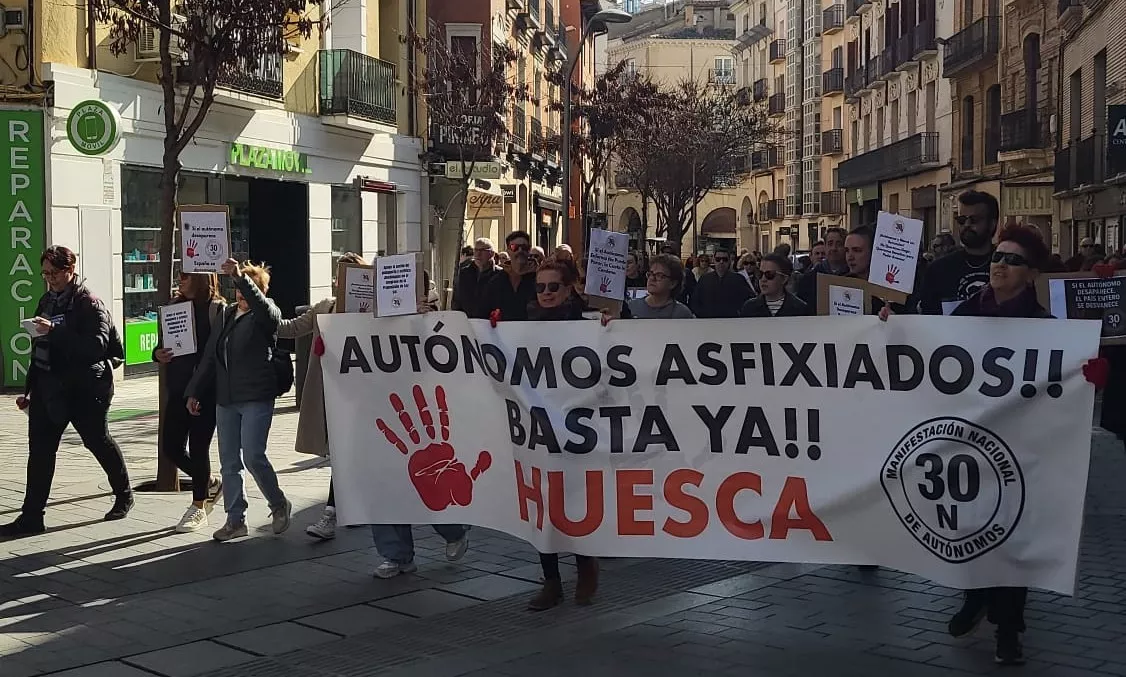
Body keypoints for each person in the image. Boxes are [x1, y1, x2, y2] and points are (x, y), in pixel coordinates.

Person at [944, 224, 1052, 666]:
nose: (1000, 265)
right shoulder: (965, 314)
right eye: (997, 257)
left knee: (1010, 537)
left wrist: (1090, 374)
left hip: (1018, 450)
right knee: (969, 526)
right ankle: (975, 596)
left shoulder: (1044, 327)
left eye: (1013, 260)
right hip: (968, 446)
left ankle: (1009, 629)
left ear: (1031, 274)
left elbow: (1066, 379)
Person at [1, 246, 133, 539]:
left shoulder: (89, 303)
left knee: (97, 441)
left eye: (55, 273)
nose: (50, 279)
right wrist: (30, 391)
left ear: (70, 270)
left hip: (84, 389)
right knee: (40, 452)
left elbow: (96, 347)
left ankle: (124, 494)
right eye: (45, 273)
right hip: (48, 388)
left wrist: (54, 331)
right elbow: (39, 348)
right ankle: (32, 517)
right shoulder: (46, 300)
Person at [187, 258, 290, 542]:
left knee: (254, 456)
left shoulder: (267, 314)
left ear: (261, 291)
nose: (241, 295)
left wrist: (241, 277)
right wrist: (195, 391)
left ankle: (278, 503)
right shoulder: (227, 314)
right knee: (229, 462)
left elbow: (263, 309)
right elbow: (211, 356)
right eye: (239, 290)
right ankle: (235, 520)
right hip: (226, 398)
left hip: (256, 395)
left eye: (248, 289)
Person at [520, 258, 600, 609]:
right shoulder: (522, 324)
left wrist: (609, 325)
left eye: (554, 287)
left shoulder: (586, 322)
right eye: (540, 287)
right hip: (539, 425)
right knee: (543, 502)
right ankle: (551, 580)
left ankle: (585, 565)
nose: (546, 293)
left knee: (576, 501)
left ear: (568, 289)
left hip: (579, 425)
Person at [276, 252, 366, 541]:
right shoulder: (325, 307)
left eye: (348, 275)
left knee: (343, 453)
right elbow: (290, 328)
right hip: (330, 392)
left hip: (362, 396)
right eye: (339, 274)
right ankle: (352, 507)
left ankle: (331, 513)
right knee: (343, 454)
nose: (340, 280)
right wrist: (258, 304)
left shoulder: (371, 309)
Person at [153, 272, 226, 533]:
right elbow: (163, 344)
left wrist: (201, 388)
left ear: (200, 278)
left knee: (198, 446)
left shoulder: (217, 310)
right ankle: (209, 482)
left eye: (185, 276)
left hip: (206, 390)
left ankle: (198, 506)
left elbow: (218, 353)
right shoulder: (174, 307)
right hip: (178, 389)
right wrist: (157, 354)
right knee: (171, 447)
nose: (179, 280)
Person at [918, 190, 998, 315]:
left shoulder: (1009, 265)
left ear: (992, 224)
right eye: (961, 220)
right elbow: (926, 318)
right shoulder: (939, 269)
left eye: (974, 220)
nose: (967, 225)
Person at [844, 226, 911, 315]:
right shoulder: (842, 283)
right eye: (847, 250)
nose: (850, 257)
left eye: (857, 250)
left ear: (873, 252)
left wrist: (894, 318)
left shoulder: (893, 288)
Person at [480, 231, 538, 321]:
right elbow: (483, 312)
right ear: (508, 251)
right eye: (514, 247)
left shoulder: (540, 278)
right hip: (502, 329)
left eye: (524, 247)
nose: (520, 251)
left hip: (534, 328)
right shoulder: (496, 281)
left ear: (529, 250)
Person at [740, 254, 810, 317]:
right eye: (760, 274)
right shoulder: (749, 308)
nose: (763, 279)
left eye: (769, 274)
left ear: (784, 279)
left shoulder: (800, 308)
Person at [627, 254, 695, 319]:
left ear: (673, 283)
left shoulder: (682, 313)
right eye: (651, 274)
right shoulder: (631, 307)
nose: (652, 278)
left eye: (659, 275)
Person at [796, 227, 849, 309]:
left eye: (839, 244)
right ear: (825, 246)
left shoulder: (854, 276)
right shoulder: (809, 278)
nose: (834, 248)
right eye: (830, 244)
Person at [690, 248, 753, 318]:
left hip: (732, 320)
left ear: (729, 261)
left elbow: (748, 301)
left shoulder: (738, 279)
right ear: (714, 260)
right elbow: (695, 301)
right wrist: (702, 315)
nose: (721, 262)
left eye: (725, 259)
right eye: (718, 259)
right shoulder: (704, 279)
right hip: (709, 321)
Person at [451, 238, 499, 318]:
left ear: (492, 254)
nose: (478, 254)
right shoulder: (463, 274)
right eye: (476, 250)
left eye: (482, 250)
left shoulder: (500, 275)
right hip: (466, 322)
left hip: (491, 323)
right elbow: (456, 302)